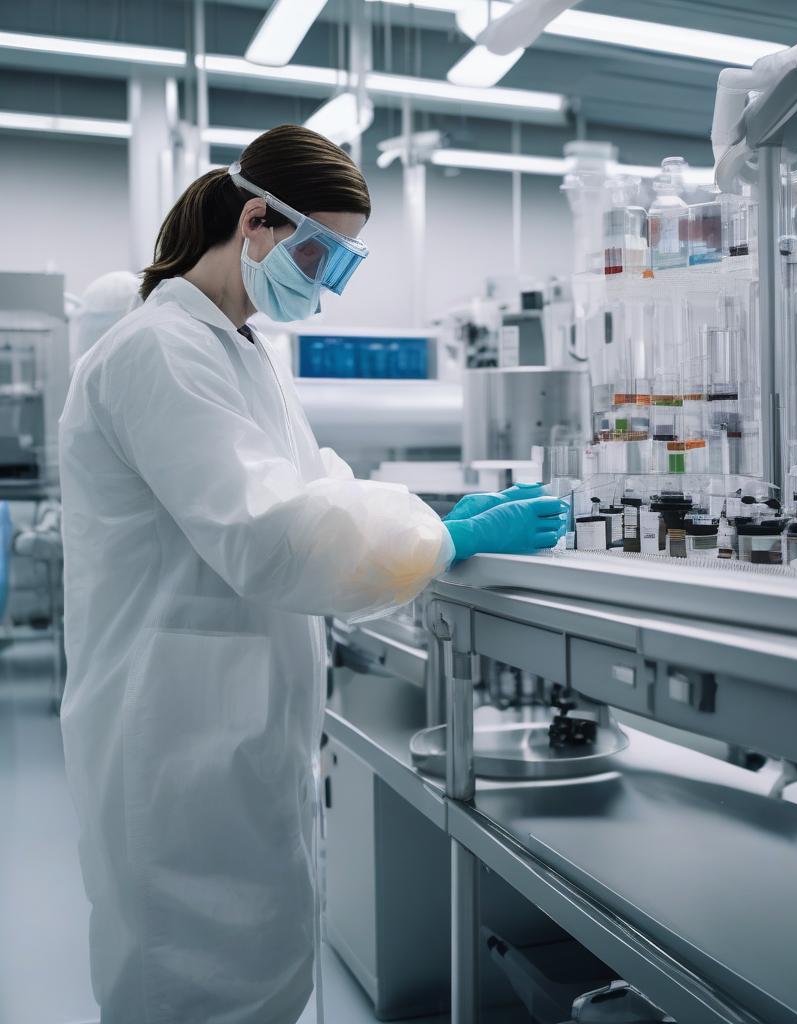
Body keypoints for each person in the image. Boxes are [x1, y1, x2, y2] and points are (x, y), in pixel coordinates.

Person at [59, 123, 565, 1024]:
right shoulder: (160, 352)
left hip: (231, 722)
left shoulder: (236, 350)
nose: (326, 286)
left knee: (253, 962)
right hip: (173, 735)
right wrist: (437, 539)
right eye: (323, 255)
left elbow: (315, 488)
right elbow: (271, 534)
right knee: (188, 982)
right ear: (256, 219)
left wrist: (432, 522)